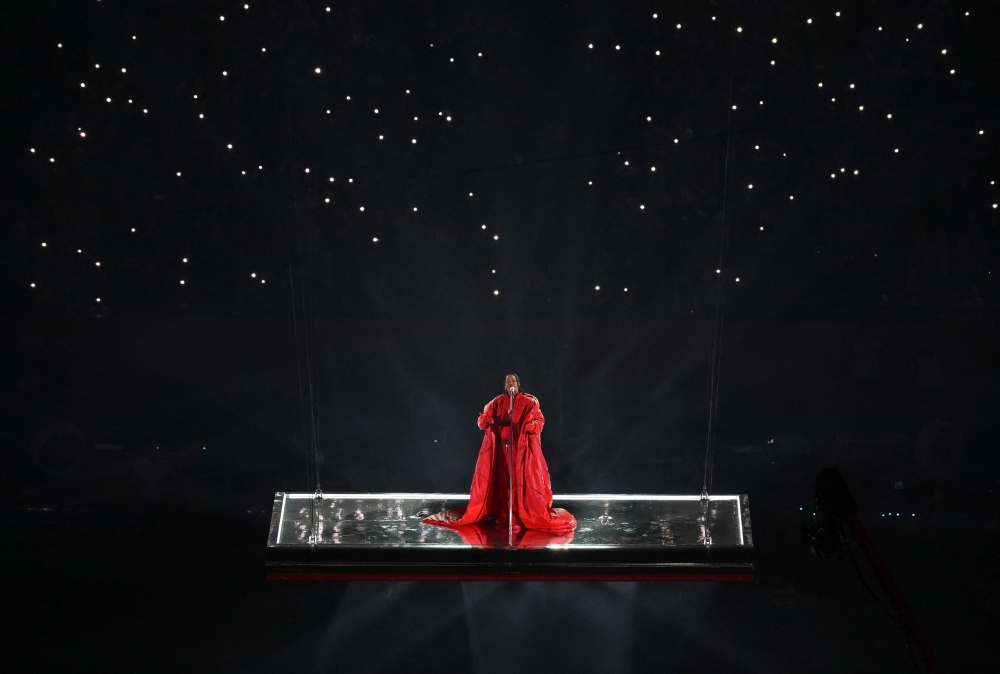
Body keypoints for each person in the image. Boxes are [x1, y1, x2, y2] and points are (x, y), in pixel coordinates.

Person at [423, 374, 576, 534]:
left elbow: (539, 421)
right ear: (505, 385)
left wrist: (532, 425)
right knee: (503, 482)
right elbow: (485, 421)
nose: (511, 384)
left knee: (518, 483)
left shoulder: (529, 402)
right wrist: (483, 421)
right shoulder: (497, 402)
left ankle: (518, 515)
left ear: (518, 384)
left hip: (520, 452)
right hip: (502, 451)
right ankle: (504, 513)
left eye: (513, 381)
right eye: (508, 382)